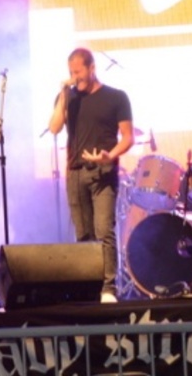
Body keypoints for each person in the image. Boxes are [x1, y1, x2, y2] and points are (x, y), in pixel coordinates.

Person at [48, 48, 134, 303]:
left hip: (103, 173)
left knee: (103, 230)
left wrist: (110, 155)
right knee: (83, 234)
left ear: (92, 68)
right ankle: (88, 288)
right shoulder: (68, 98)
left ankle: (108, 288)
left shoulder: (116, 97)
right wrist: (64, 95)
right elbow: (54, 127)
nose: (75, 77)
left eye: (78, 72)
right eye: (71, 72)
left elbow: (128, 137)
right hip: (75, 173)